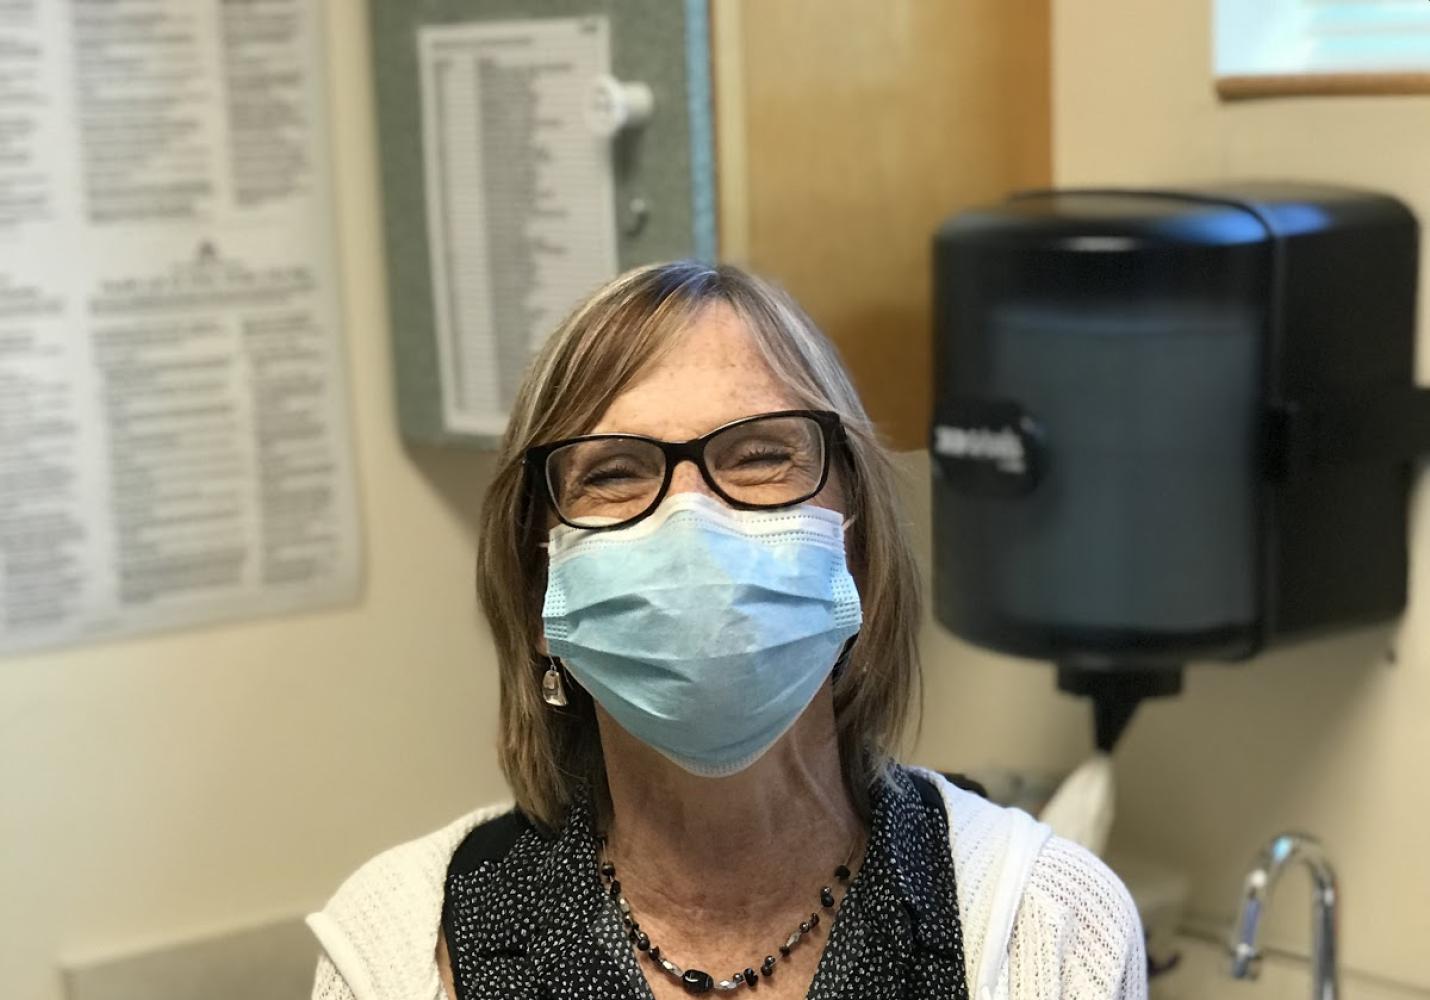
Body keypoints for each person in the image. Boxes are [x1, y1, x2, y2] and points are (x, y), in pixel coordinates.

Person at [306, 261, 1146, 1000]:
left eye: (759, 456)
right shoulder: (401, 947)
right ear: (537, 596)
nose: (691, 526)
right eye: (614, 472)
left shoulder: (1047, 922)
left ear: (859, 544)